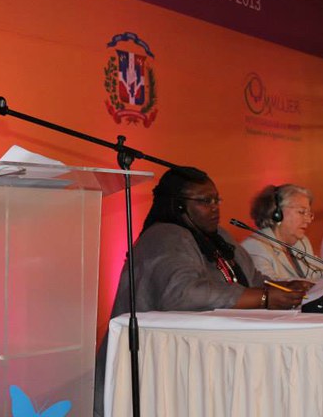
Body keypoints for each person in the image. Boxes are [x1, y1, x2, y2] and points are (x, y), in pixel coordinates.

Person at [94, 167, 309, 417]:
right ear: (178, 205)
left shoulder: (218, 237)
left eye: (216, 199)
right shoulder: (164, 236)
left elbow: (252, 279)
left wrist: (284, 289)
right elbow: (183, 293)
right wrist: (263, 298)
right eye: (205, 201)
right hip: (156, 370)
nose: (215, 207)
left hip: (201, 362)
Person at [241, 184, 323, 291]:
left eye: (309, 214)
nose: (308, 220)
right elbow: (272, 284)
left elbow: (322, 272)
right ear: (276, 213)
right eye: (301, 212)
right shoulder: (255, 246)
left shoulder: (301, 243)